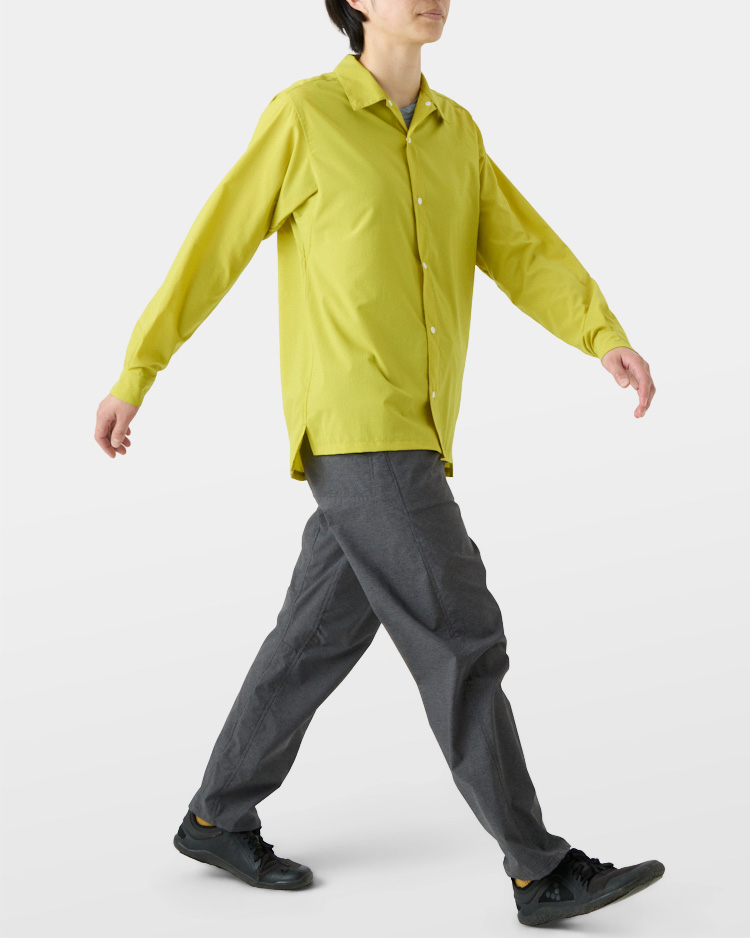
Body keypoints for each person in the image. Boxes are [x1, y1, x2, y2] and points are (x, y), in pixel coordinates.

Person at [94, 0, 663, 926]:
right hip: (358, 425)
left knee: (315, 634)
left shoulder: (454, 131)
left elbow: (521, 247)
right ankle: (540, 868)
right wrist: (138, 372)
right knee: (460, 633)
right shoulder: (304, 116)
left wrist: (602, 335)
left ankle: (216, 816)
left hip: (421, 426)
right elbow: (214, 247)